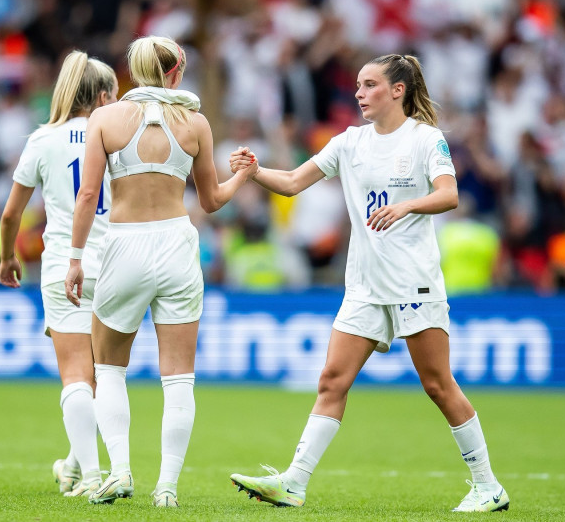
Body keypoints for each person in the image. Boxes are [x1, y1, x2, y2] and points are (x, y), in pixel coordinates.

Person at [227, 54, 509, 513]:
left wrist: (406, 206)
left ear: (397, 90)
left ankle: (488, 486)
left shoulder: (425, 139)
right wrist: (253, 171)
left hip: (412, 282)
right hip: (363, 285)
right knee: (331, 380)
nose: (359, 93)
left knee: (438, 385)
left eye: (370, 84)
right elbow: (296, 181)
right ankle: (294, 483)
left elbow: (449, 194)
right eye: (358, 85)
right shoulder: (350, 142)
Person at [64, 35, 257, 508]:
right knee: (179, 379)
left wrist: (74, 256)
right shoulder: (194, 122)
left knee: (108, 369)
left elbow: (88, 195)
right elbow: (211, 201)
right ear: (175, 71)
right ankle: (166, 489)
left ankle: (120, 471)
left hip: (124, 243)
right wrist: (244, 176)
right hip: (176, 243)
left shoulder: (106, 119)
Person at [0, 50, 118, 498]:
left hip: (65, 267)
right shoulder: (117, 138)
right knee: (101, 377)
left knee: (75, 377)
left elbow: (12, 213)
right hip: (116, 266)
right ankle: (72, 465)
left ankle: (88, 476)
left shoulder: (43, 140)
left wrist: (9, 256)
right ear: (103, 96)